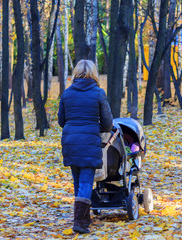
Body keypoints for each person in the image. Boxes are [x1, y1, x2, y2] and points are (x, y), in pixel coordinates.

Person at [58, 59, 113, 234]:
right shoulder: (98, 93)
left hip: (70, 141)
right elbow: (107, 123)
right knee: (85, 182)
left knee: (78, 180)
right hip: (89, 141)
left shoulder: (67, 94)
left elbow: (61, 120)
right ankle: (80, 223)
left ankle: (83, 217)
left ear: (76, 73)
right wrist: (100, 129)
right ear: (93, 74)